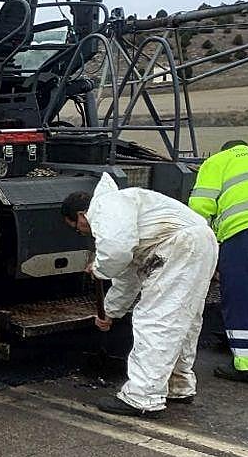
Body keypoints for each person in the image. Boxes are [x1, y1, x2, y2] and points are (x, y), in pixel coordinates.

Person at [61, 174, 218, 417]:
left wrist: (99, 268)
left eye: (77, 228)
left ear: (82, 215)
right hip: (200, 242)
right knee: (185, 320)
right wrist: (111, 312)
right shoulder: (126, 209)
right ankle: (179, 385)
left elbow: (116, 253)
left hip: (177, 245)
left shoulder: (105, 208)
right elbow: (128, 277)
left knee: (156, 321)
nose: (83, 233)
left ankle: (142, 396)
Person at [188, 140, 248, 386]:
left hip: (245, 230)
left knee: (238, 294)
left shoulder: (217, 161)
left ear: (224, 150)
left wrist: (201, 250)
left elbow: (200, 207)